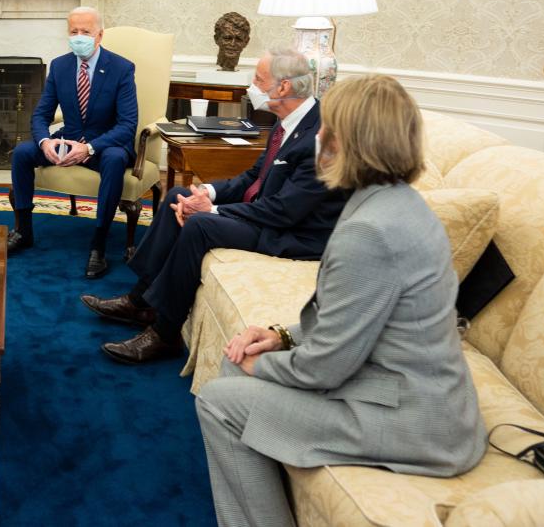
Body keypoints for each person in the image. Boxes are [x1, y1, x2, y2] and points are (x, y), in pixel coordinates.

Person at [196, 74, 486, 527]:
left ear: (342, 141)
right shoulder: (397, 202)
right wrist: (280, 336)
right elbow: (351, 317)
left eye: (325, 127)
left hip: (413, 423)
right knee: (239, 358)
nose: (316, 137)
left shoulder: (370, 232)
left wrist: (266, 364)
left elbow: (324, 368)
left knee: (218, 400)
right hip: (400, 388)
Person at [86, 48, 348, 364]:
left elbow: (285, 210)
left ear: (284, 88)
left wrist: (212, 211)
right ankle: (139, 300)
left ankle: (164, 334)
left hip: (292, 232)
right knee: (176, 197)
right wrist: (206, 193)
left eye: (259, 79)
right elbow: (254, 176)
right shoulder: (287, 122)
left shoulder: (320, 136)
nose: (252, 85)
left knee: (200, 224)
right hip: (268, 212)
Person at [9, 7, 138, 279]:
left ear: (99, 36)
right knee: (22, 152)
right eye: (74, 32)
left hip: (105, 144)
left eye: (86, 32)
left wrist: (89, 148)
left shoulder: (122, 68)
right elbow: (42, 114)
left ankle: (98, 247)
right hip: (68, 139)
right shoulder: (60, 65)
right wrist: (45, 142)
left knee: (115, 160)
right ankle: (23, 231)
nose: (79, 37)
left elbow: (127, 125)